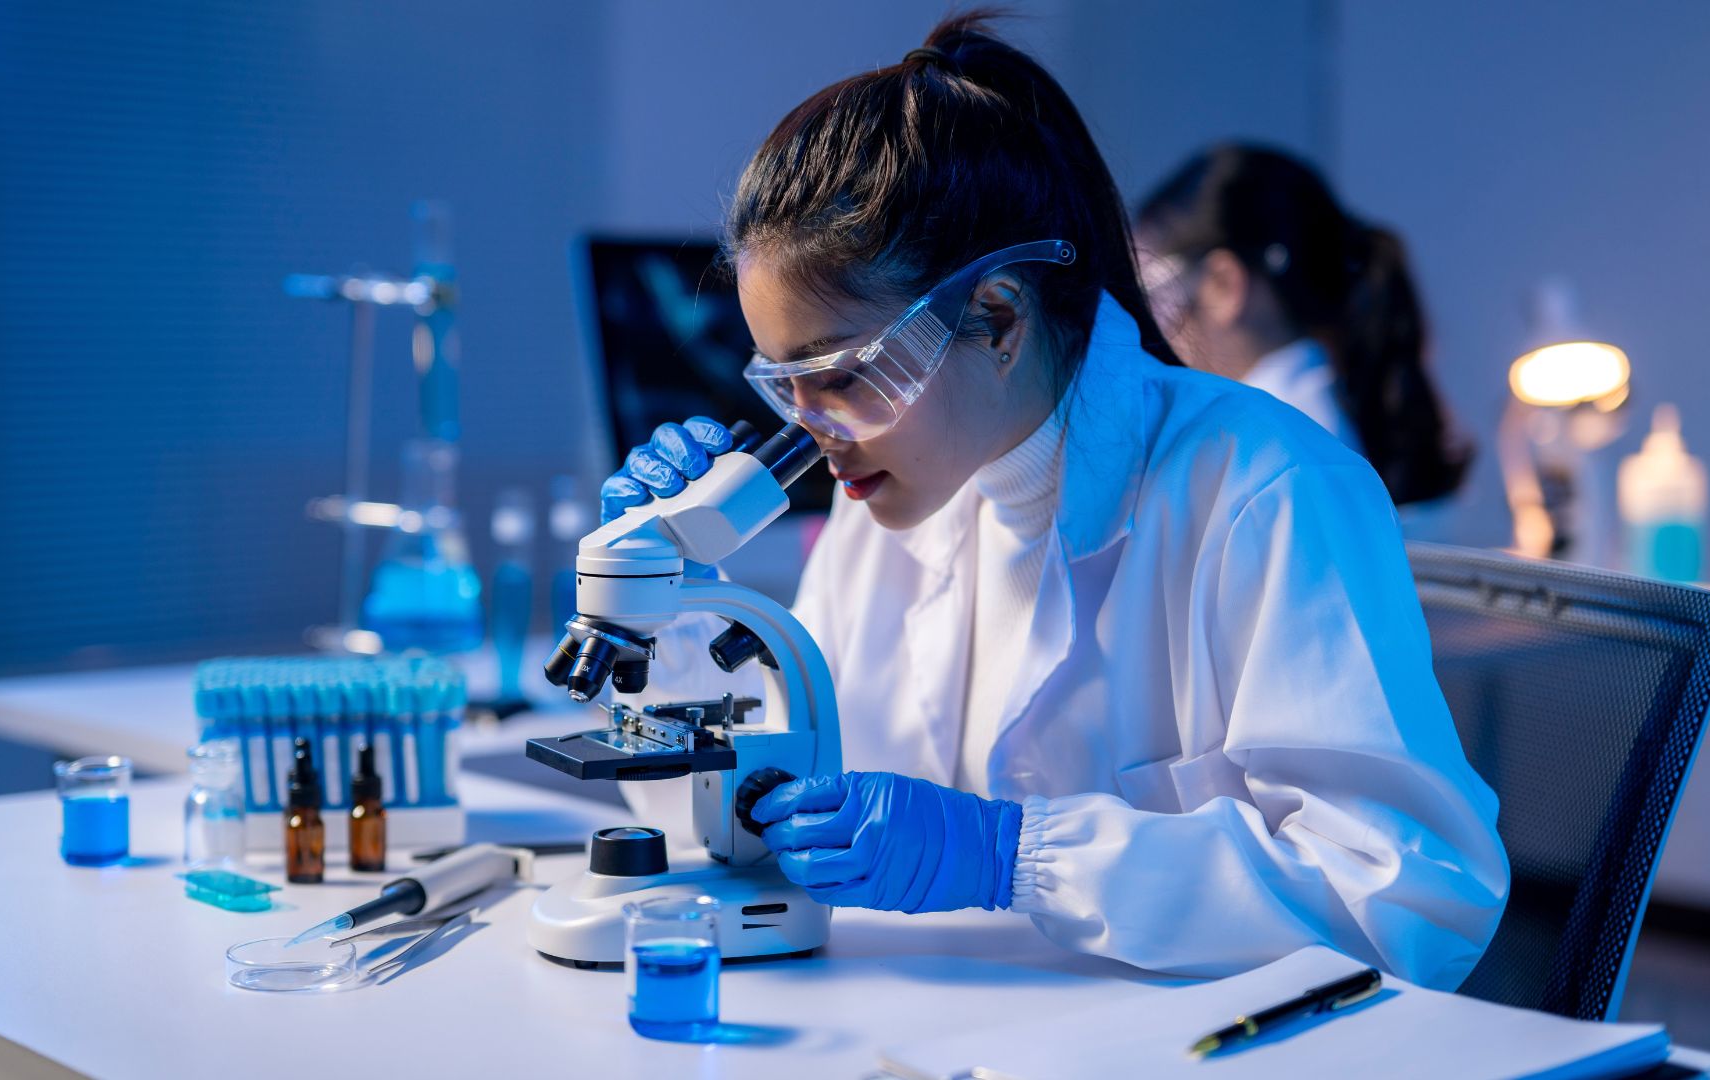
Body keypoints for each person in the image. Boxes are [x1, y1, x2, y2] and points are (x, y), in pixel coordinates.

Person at [598, 13, 1507, 990]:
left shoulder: (1261, 488)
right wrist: (664, 605)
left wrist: (1015, 855)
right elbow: (776, 801)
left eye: (845, 376)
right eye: (784, 385)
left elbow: (1412, 900)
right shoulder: (891, 498)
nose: (816, 429)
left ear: (996, 319)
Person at [1136, 144, 1471, 508]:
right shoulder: (1296, 433)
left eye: (1148, 292)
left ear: (1223, 285)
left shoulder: (1264, 454)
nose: (1141, 326)